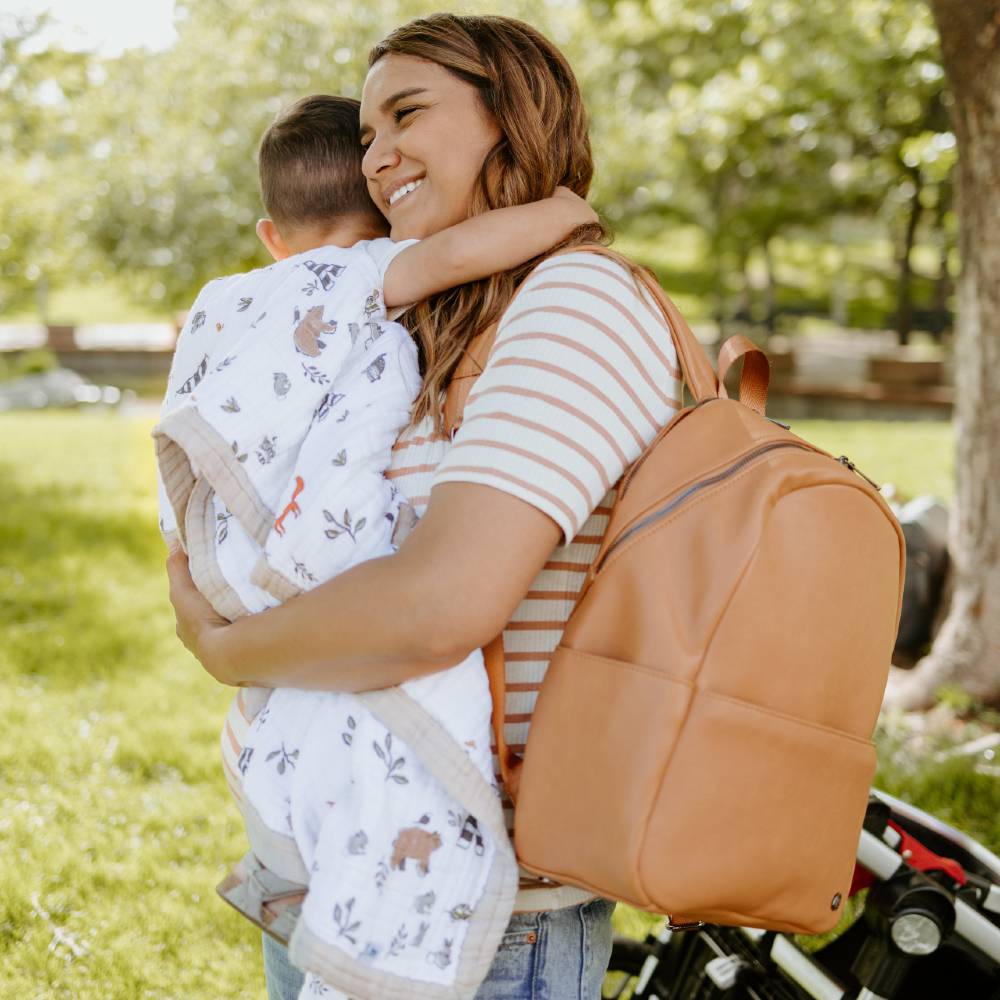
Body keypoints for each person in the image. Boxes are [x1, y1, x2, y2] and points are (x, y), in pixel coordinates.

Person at [166, 13, 682, 1000]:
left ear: (514, 117)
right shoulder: (404, 322)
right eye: (365, 135)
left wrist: (225, 647)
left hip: (480, 916)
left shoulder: (574, 299)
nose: (376, 158)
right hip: (334, 863)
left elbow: (440, 603)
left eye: (407, 113)